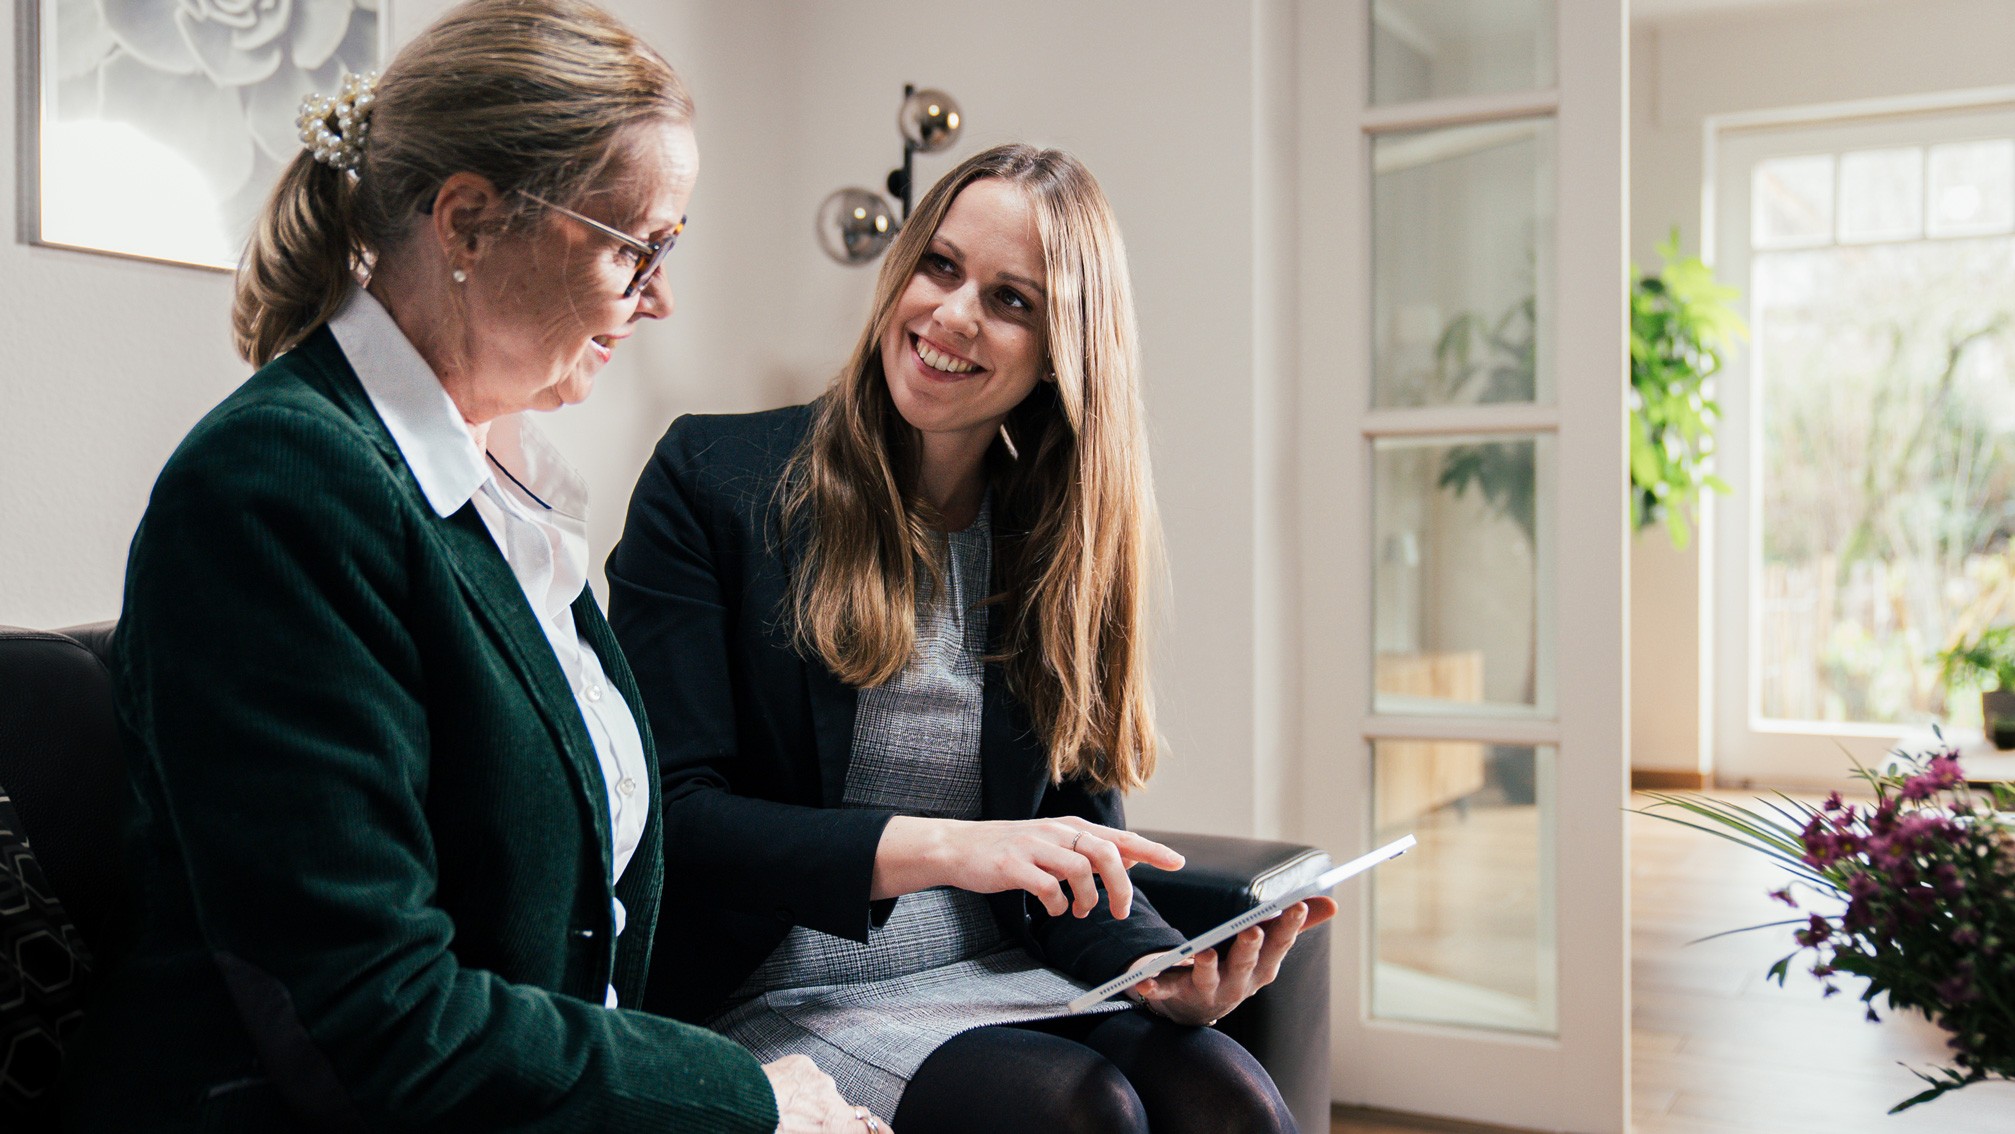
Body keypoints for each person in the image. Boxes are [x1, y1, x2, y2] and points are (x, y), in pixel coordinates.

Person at [67, 1, 884, 1130]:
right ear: (465, 221)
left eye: (672, 248)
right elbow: (374, 1013)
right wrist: (741, 1100)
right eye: (634, 245)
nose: (662, 296)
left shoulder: (510, 487)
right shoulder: (277, 487)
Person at [606, 143, 1334, 1134]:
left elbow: (1071, 837)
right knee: (1083, 1111)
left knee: (1228, 1096)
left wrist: (1155, 966)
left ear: (1061, 352)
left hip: (998, 974)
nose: (950, 316)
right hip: (781, 998)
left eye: (1011, 300)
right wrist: (955, 848)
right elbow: (674, 823)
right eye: (939, 267)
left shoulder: (1052, 543)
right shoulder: (712, 480)